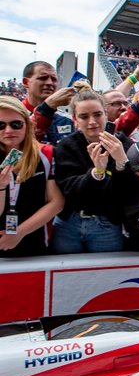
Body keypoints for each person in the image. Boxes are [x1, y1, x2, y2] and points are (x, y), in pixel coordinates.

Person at [53, 86, 134, 253]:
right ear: (75, 119)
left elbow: (127, 192)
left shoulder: (123, 144)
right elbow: (70, 191)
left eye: (97, 114)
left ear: (105, 113)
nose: (92, 122)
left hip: (107, 225)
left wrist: (121, 162)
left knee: (107, 277)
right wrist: (96, 173)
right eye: (84, 116)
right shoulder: (66, 146)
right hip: (69, 223)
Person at [0, 96, 64, 256]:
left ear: (27, 125)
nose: (8, 131)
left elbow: (56, 202)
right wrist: (0, 187)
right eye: (0, 125)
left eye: (16, 124)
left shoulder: (47, 154)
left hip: (35, 242)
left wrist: (20, 232)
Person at [20, 61, 76, 144]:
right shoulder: (11, 116)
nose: (49, 83)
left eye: (54, 79)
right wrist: (47, 108)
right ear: (26, 82)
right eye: (43, 78)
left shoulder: (67, 119)